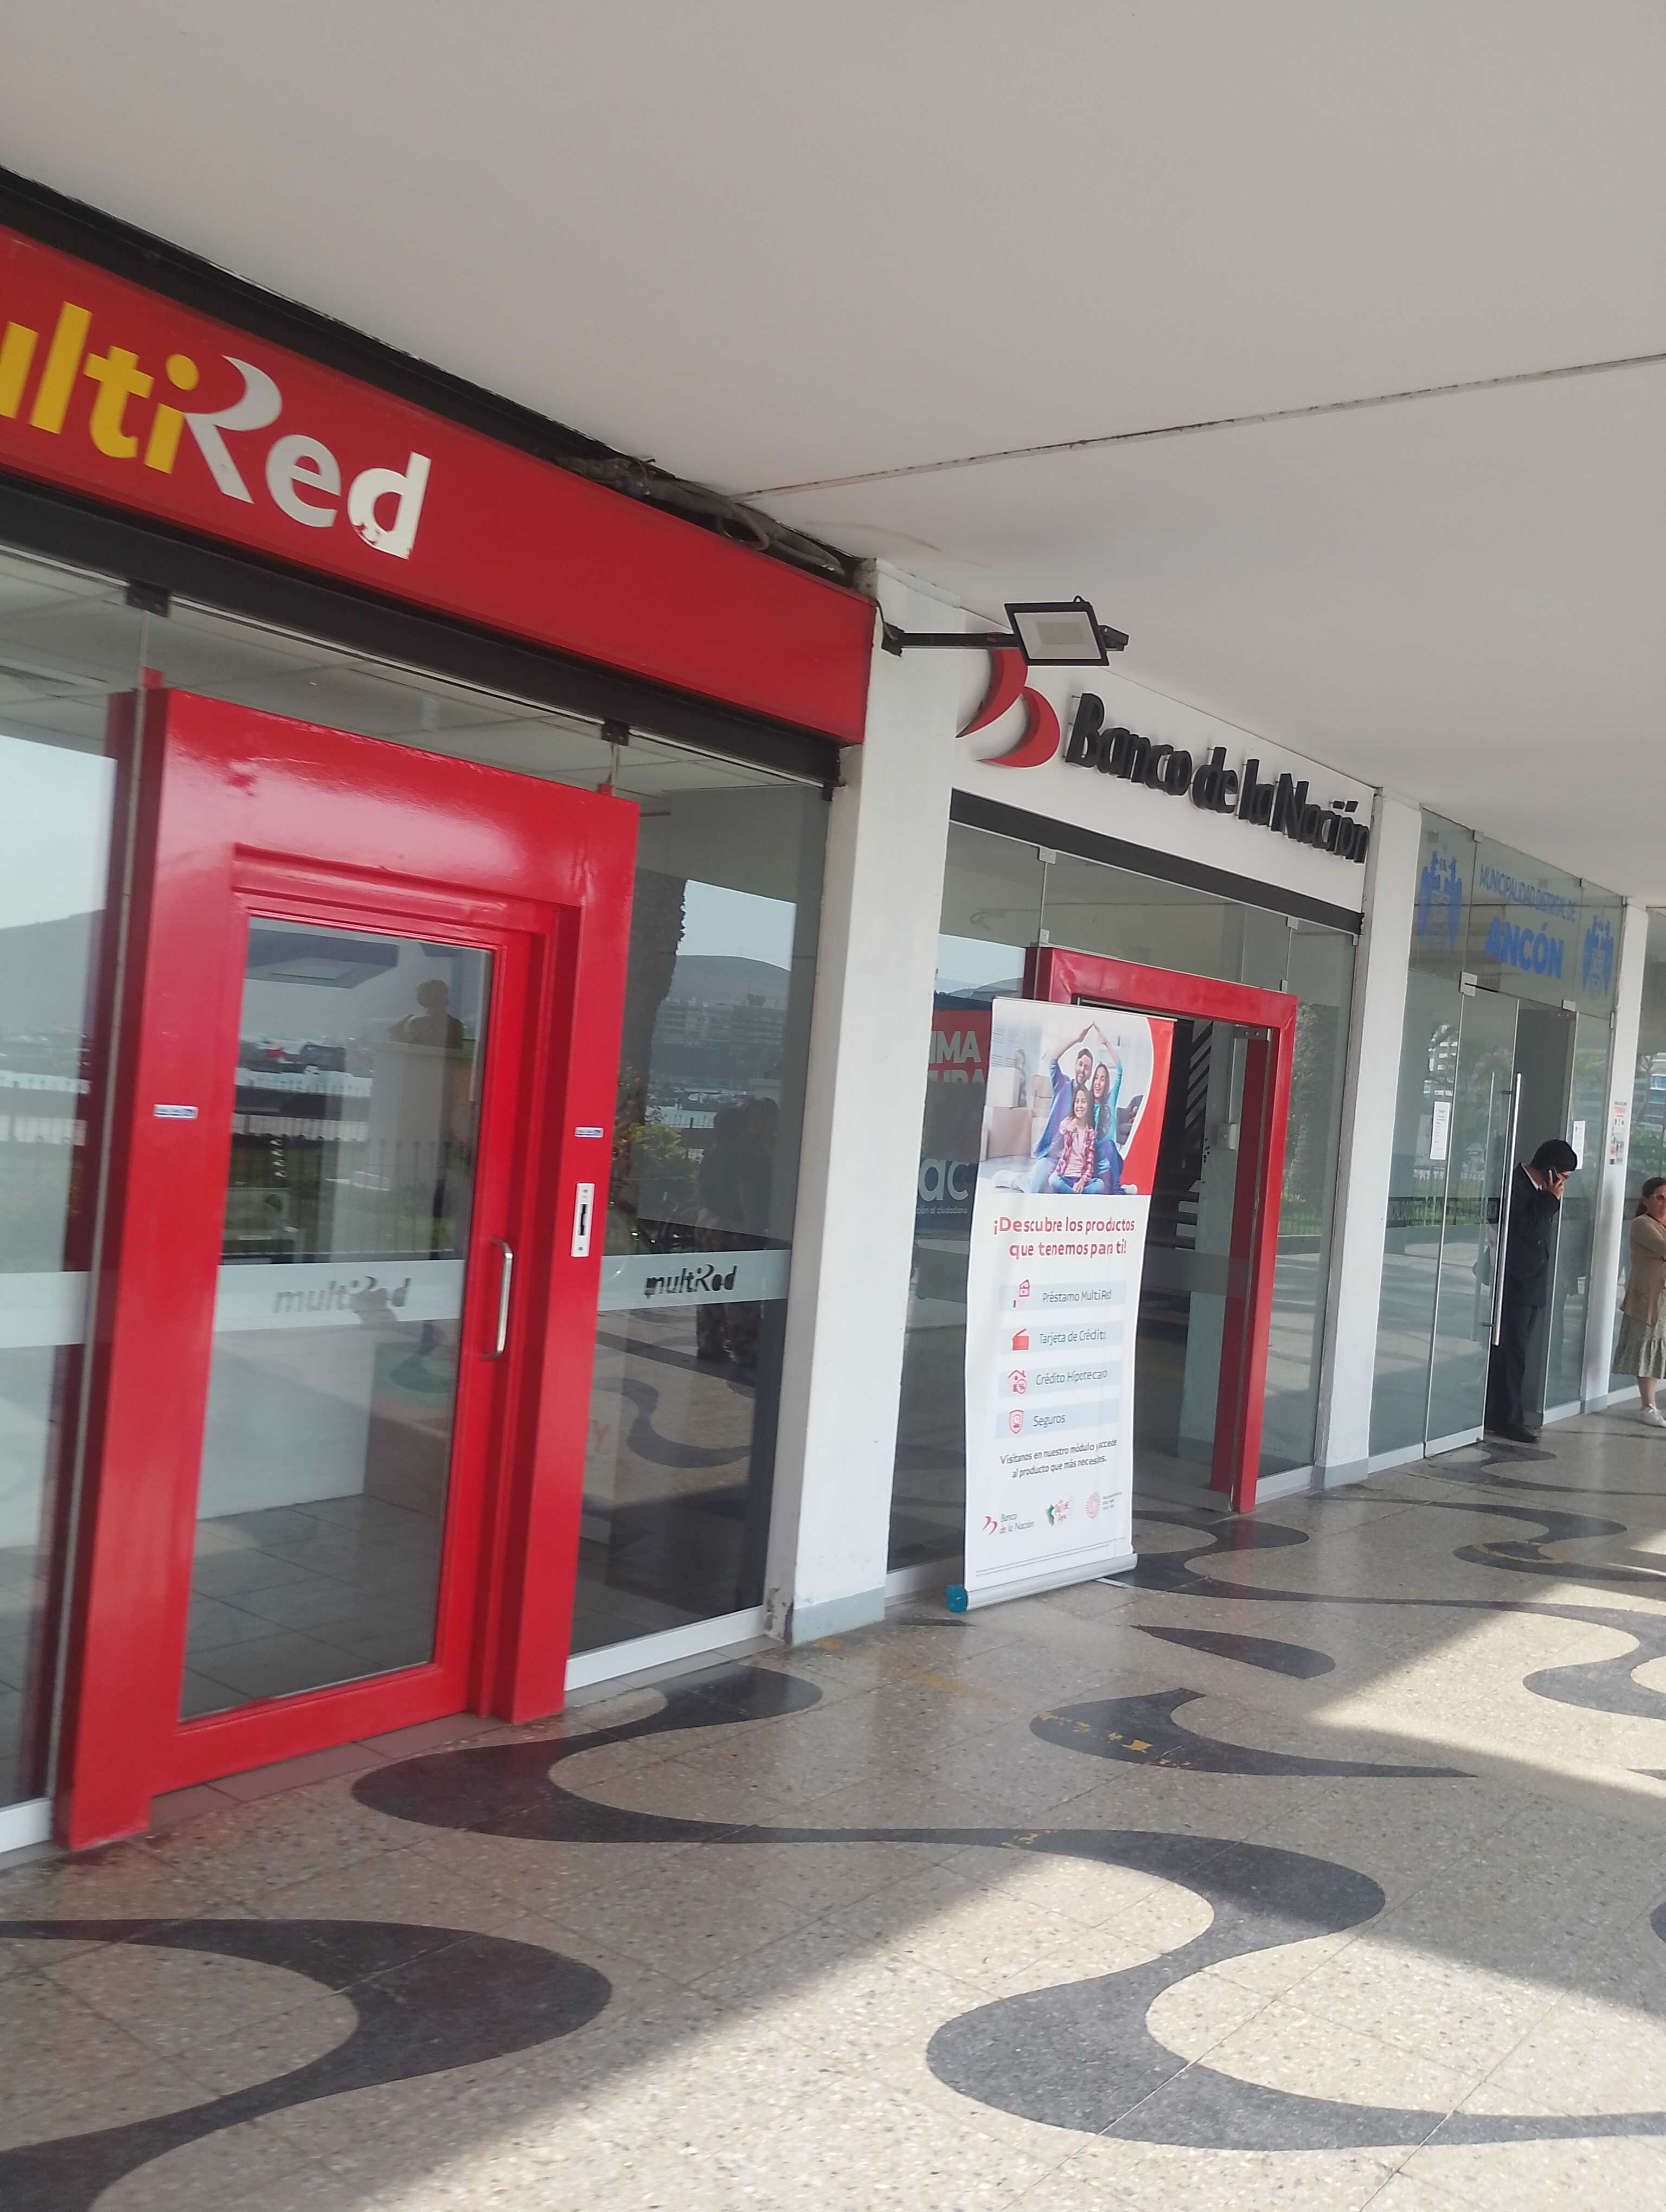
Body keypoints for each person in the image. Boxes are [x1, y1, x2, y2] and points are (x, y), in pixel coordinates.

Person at [1486, 1136, 1578, 1444]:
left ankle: (1500, 1413)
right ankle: (1507, 1419)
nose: (1563, 1184)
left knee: (1517, 1352)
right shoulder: (1515, 1185)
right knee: (1512, 1353)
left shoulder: (1540, 1191)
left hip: (1532, 1282)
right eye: (1563, 1177)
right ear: (1550, 1170)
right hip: (1515, 1282)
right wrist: (1550, 1200)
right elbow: (1520, 1229)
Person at [1614, 1177, 1666, 1427]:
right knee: (1648, 1348)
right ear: (1647, 1200)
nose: (1665, 1203)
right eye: (1660, 1198)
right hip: (1649, 1300)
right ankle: (1648, 1406)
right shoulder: (1642, 1225)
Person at [1081, 1053, 1124, 1195]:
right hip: (1093, 1162)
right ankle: (1120, 1189)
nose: (1098, 1083)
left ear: (1106, 1084)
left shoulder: (1110, 1101)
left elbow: (1120, 1071)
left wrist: (1106, 1044)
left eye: (1103, 1079)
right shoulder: (1087, 1105)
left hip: (1110, 1161)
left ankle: (1118, 1189)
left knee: (1109, 1145)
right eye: (1096, 1078)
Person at [1047, 1084, 1097, 1194]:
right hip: (1065, 1177)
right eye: (1077, 1102)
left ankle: (1072, 1193)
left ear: (1088, 1105)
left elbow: (1090, 1163)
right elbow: (1062, 1128)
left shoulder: (1090, 1133)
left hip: (1081, 1180)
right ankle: (1076, 1195)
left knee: (1100, 1185)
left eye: (1083, 1102)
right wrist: (1069, 1127)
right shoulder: (1068, 1122)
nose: (1080, 1105)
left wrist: (1082, 1182)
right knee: (1053, 1180)